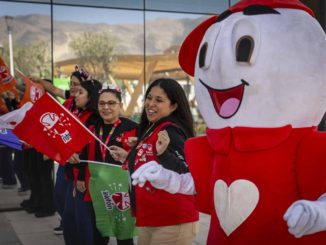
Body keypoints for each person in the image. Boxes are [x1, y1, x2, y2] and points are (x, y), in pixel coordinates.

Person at [110, 78, 199, 245]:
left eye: (159, 100)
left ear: (173, 106)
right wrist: (128, 156)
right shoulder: (153, 127)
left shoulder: (170, 130)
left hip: (172, 221)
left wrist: (164, 154)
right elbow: (151, 162)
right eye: (149, 98)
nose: (151, 104)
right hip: (150, 218)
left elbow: (190, 172)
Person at [72, 85, 138, 245]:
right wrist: (80, 175)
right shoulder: (92, 127)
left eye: (111, 103)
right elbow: (84, 152)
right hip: (98, 187)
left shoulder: (133, 128)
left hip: (122, 190)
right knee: (99, 230)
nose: (106, 107)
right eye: (102, 103)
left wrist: (129, 154)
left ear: (120, 105)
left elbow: (140, 157)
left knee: (124, 233)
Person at [62, 79, 102, 245]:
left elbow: (89, 151)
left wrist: (81, 176)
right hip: (73, 173)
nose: (75, 95)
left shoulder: (94, 119)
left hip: (84, 177)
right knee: (70, 218)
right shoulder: (78, 113)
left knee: (81, 220)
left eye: (80, 92)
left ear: (90, 96)